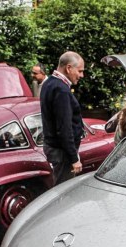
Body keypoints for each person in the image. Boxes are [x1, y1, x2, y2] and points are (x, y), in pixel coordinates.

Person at [40, 51, 85, 185]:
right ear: (69, 68)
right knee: (63, 191)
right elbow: (64, 128)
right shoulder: (61, 90)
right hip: (62, 152)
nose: (82, 75)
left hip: (55, 148)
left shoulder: (48, 83)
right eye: (80, 71)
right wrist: (74, 158)